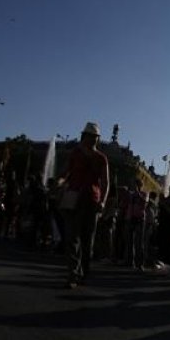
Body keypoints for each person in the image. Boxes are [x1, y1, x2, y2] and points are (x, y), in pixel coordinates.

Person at [60, 122, 110, 288]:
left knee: (87, 241)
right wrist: (59, 183)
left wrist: (102, 201)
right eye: (89, 136)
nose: (91, 140)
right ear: (84, 137)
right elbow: (65, 173)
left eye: (94, 137)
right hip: (74, 199)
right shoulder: (75, 154)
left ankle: (84, 272)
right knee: (72, 238)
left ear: (97, 139)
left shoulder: (101, 158)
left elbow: (106, 183)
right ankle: (73, 274)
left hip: (92, 201)